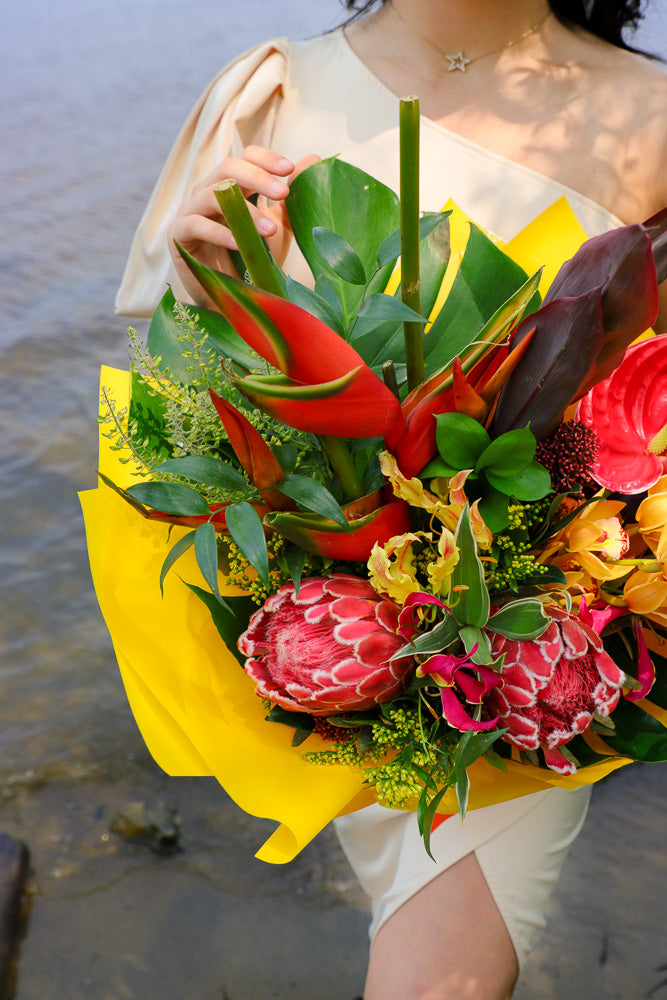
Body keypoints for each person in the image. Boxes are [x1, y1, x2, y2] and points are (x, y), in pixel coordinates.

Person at [115, 2, 667, 997]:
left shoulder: (652, 117)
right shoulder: (270, 90)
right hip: (309, 662)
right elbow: (174, 400)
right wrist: (202, 296)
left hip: (506, 679)